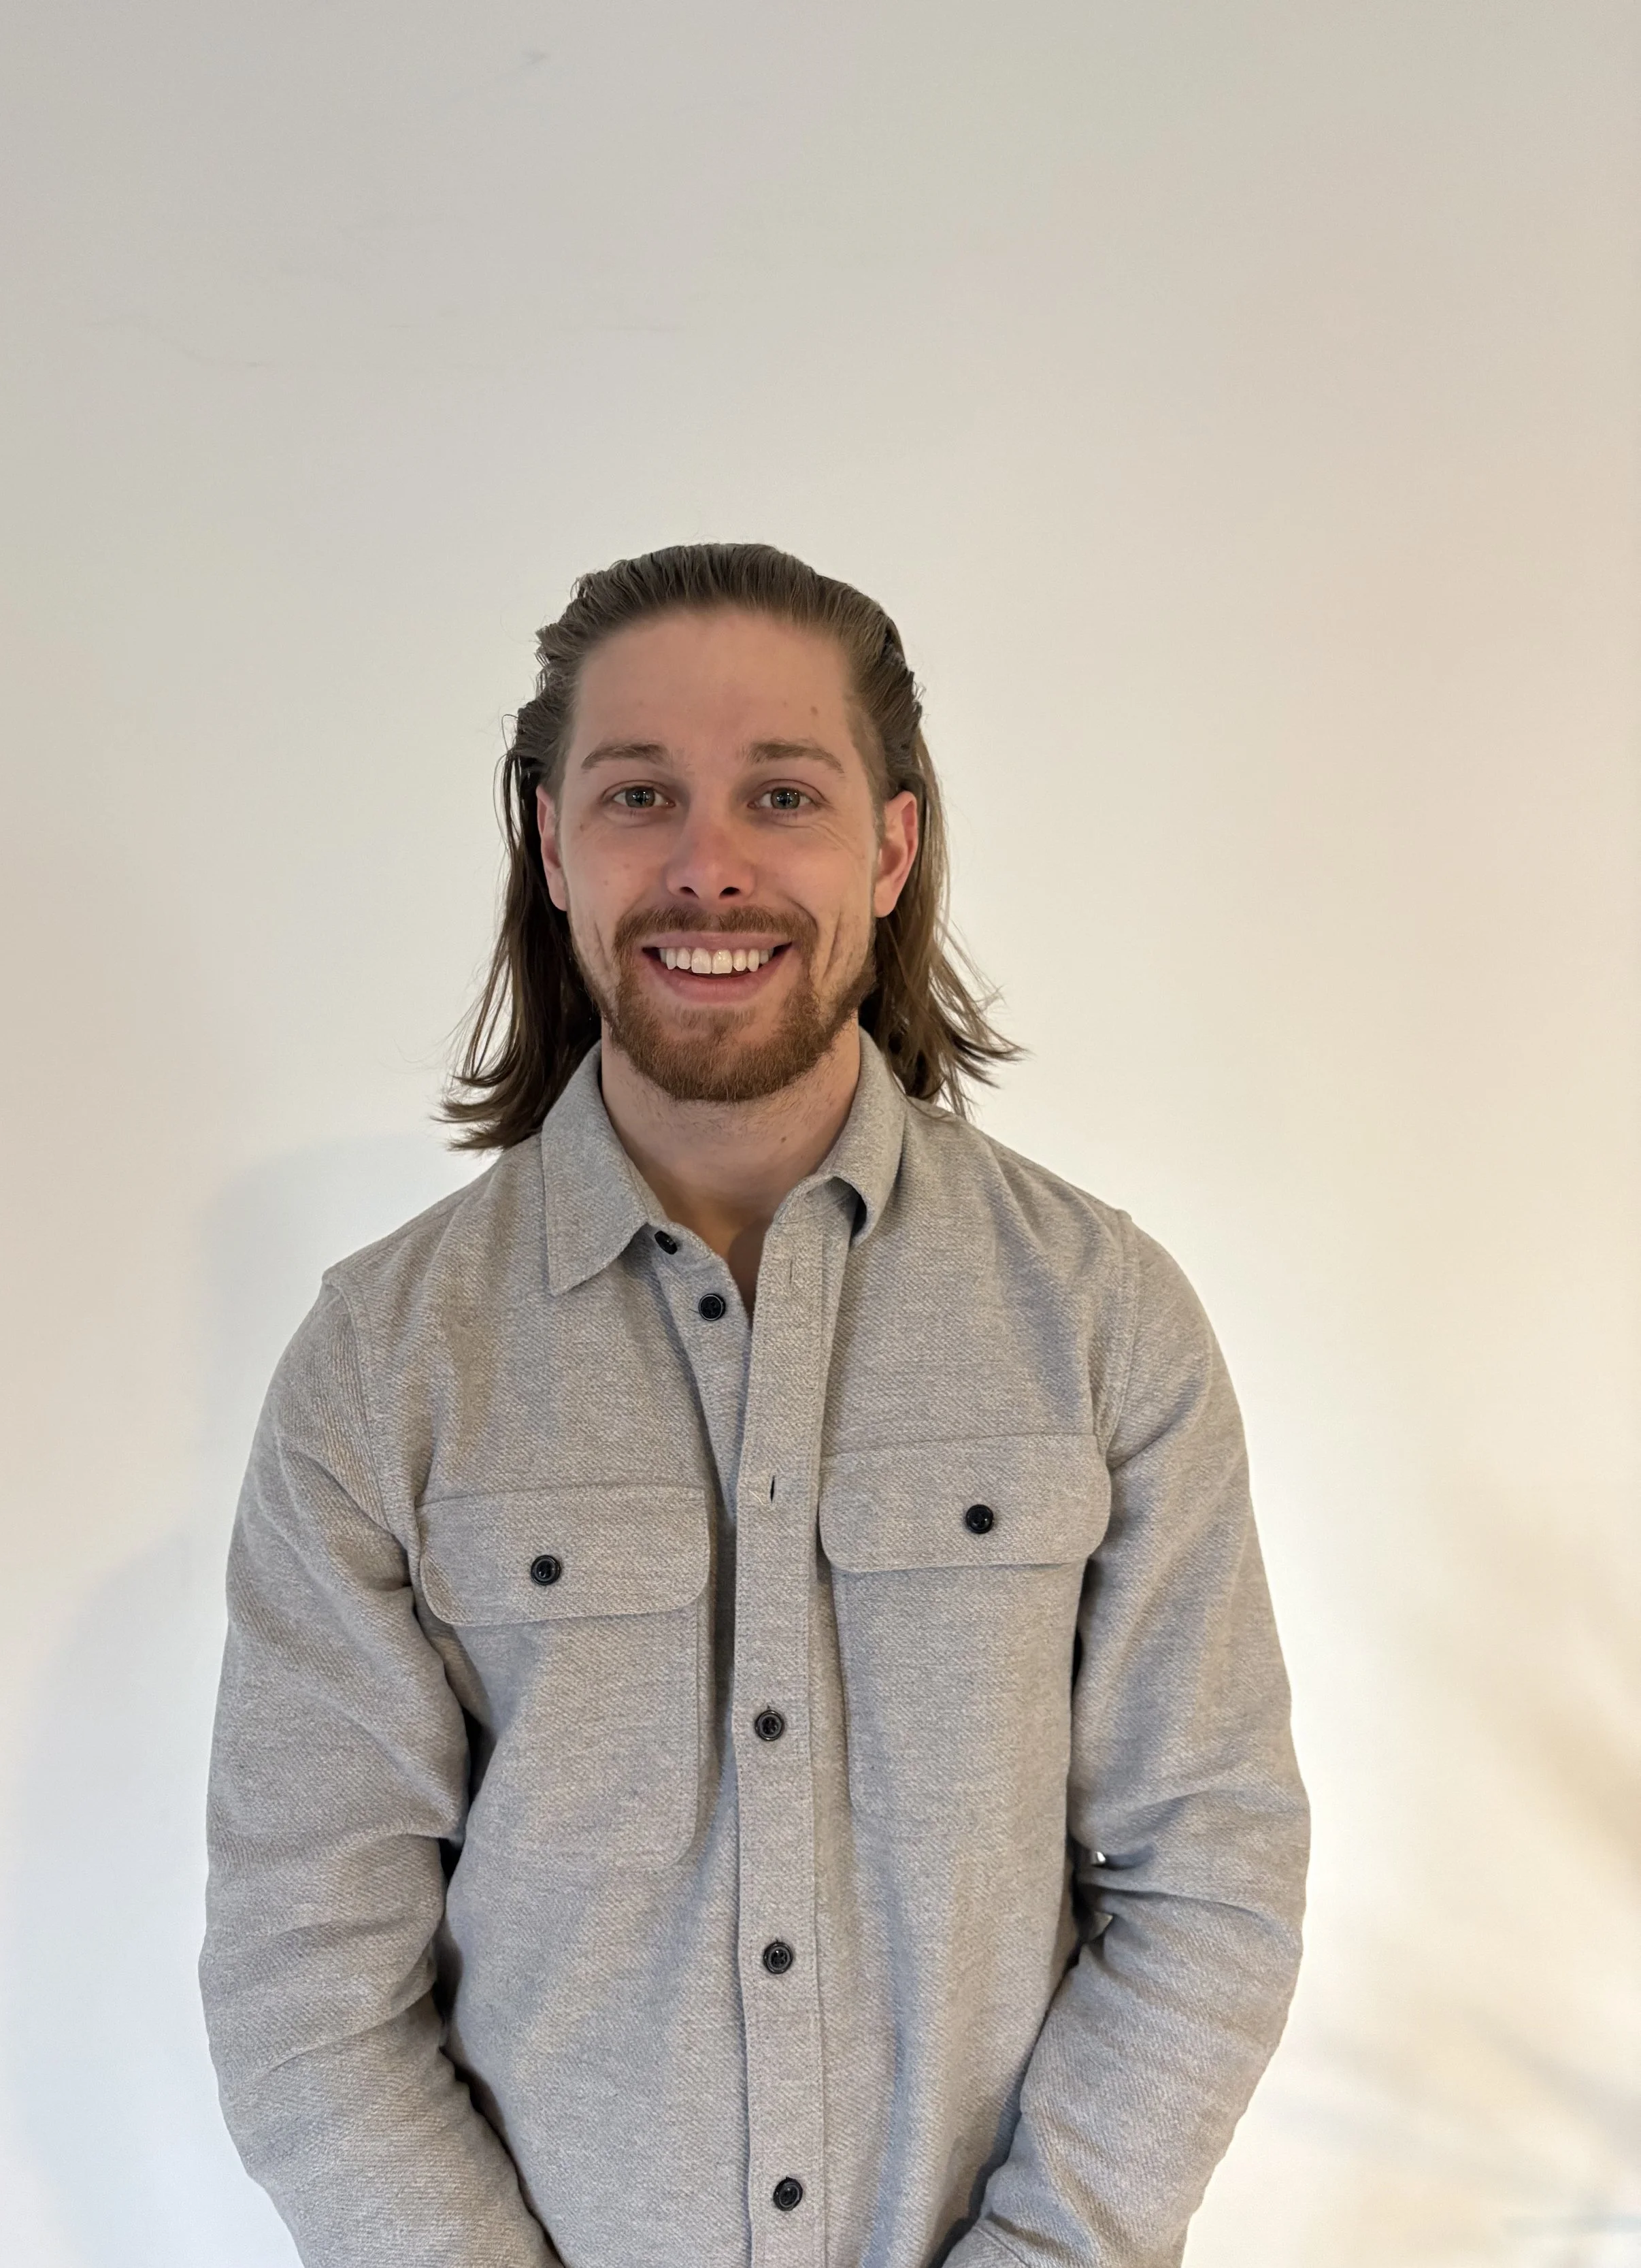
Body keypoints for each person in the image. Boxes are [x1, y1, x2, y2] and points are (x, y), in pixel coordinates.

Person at [199, 542, 1310, 2268]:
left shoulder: (1099, 1317)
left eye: (777, 793)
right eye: (639, 793)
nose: (705, 866)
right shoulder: (381, 1360)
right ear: (553, 843)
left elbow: (1208, 1877)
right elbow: (303, 1973)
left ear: (886, 845)